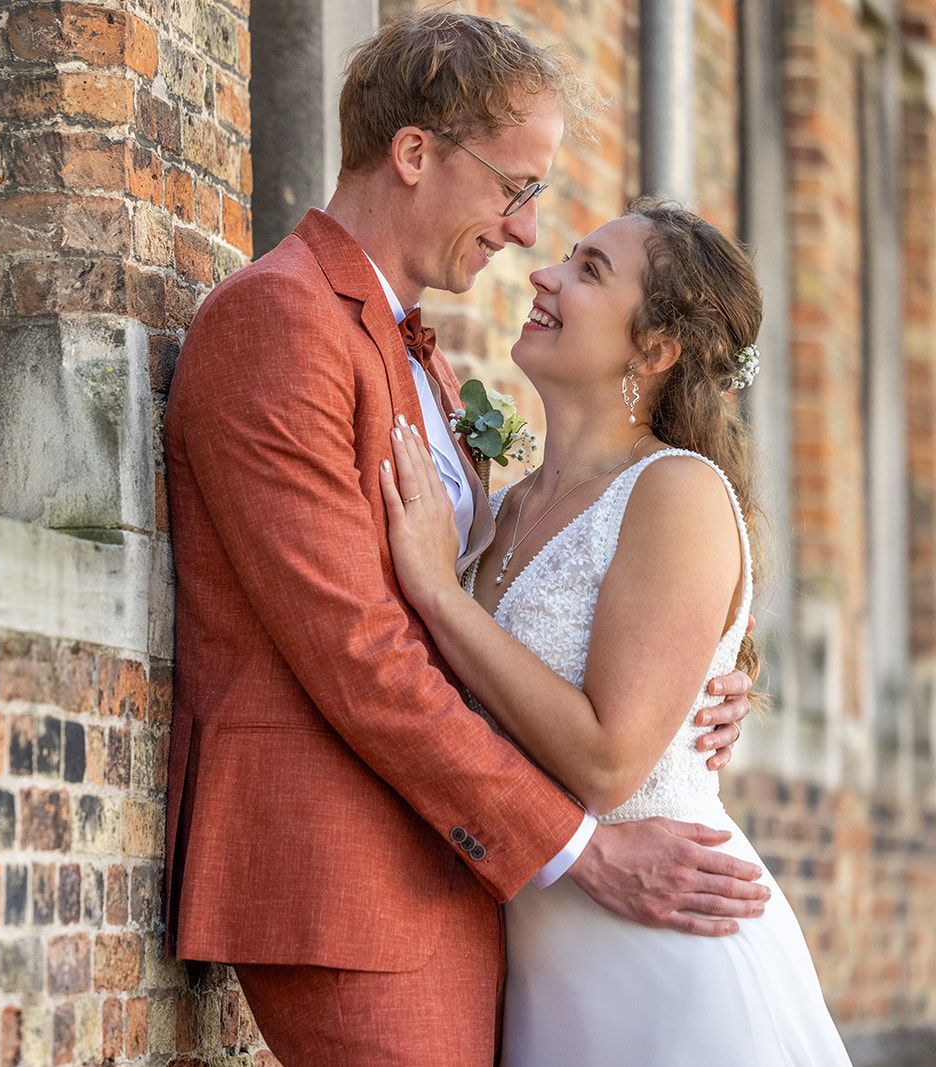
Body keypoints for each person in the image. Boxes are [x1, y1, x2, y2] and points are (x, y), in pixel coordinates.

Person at [163, 12, 765, 1065]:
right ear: (412, 154)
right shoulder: (279, 321)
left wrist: (698, 685)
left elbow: (505, 628)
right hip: (348, 878)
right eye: (513, 188)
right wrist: (580, 849)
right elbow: (360, 648)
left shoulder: (426, 366)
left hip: (462, 875)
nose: (524, 233)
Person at [381, 200, 850, 1065]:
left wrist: (438, 595)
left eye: (590, 270)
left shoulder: (676, 494)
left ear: (654, 350)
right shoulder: (505, 507)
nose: (544, 275)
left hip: (668, 963)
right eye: (565, 258)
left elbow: (607, 759)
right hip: (544, 975)